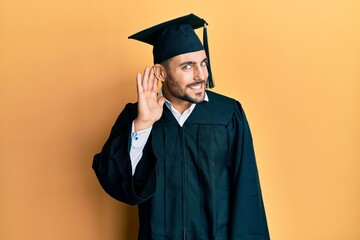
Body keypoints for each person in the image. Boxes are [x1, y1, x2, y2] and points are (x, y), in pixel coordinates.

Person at [93, 13, 270, 240]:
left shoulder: (228, 115)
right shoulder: (136, 117)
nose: (201, 75)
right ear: (161, 73)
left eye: (203, 63)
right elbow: (117, 182)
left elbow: (247, 194)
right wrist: (144, 124)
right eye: (187, 66)